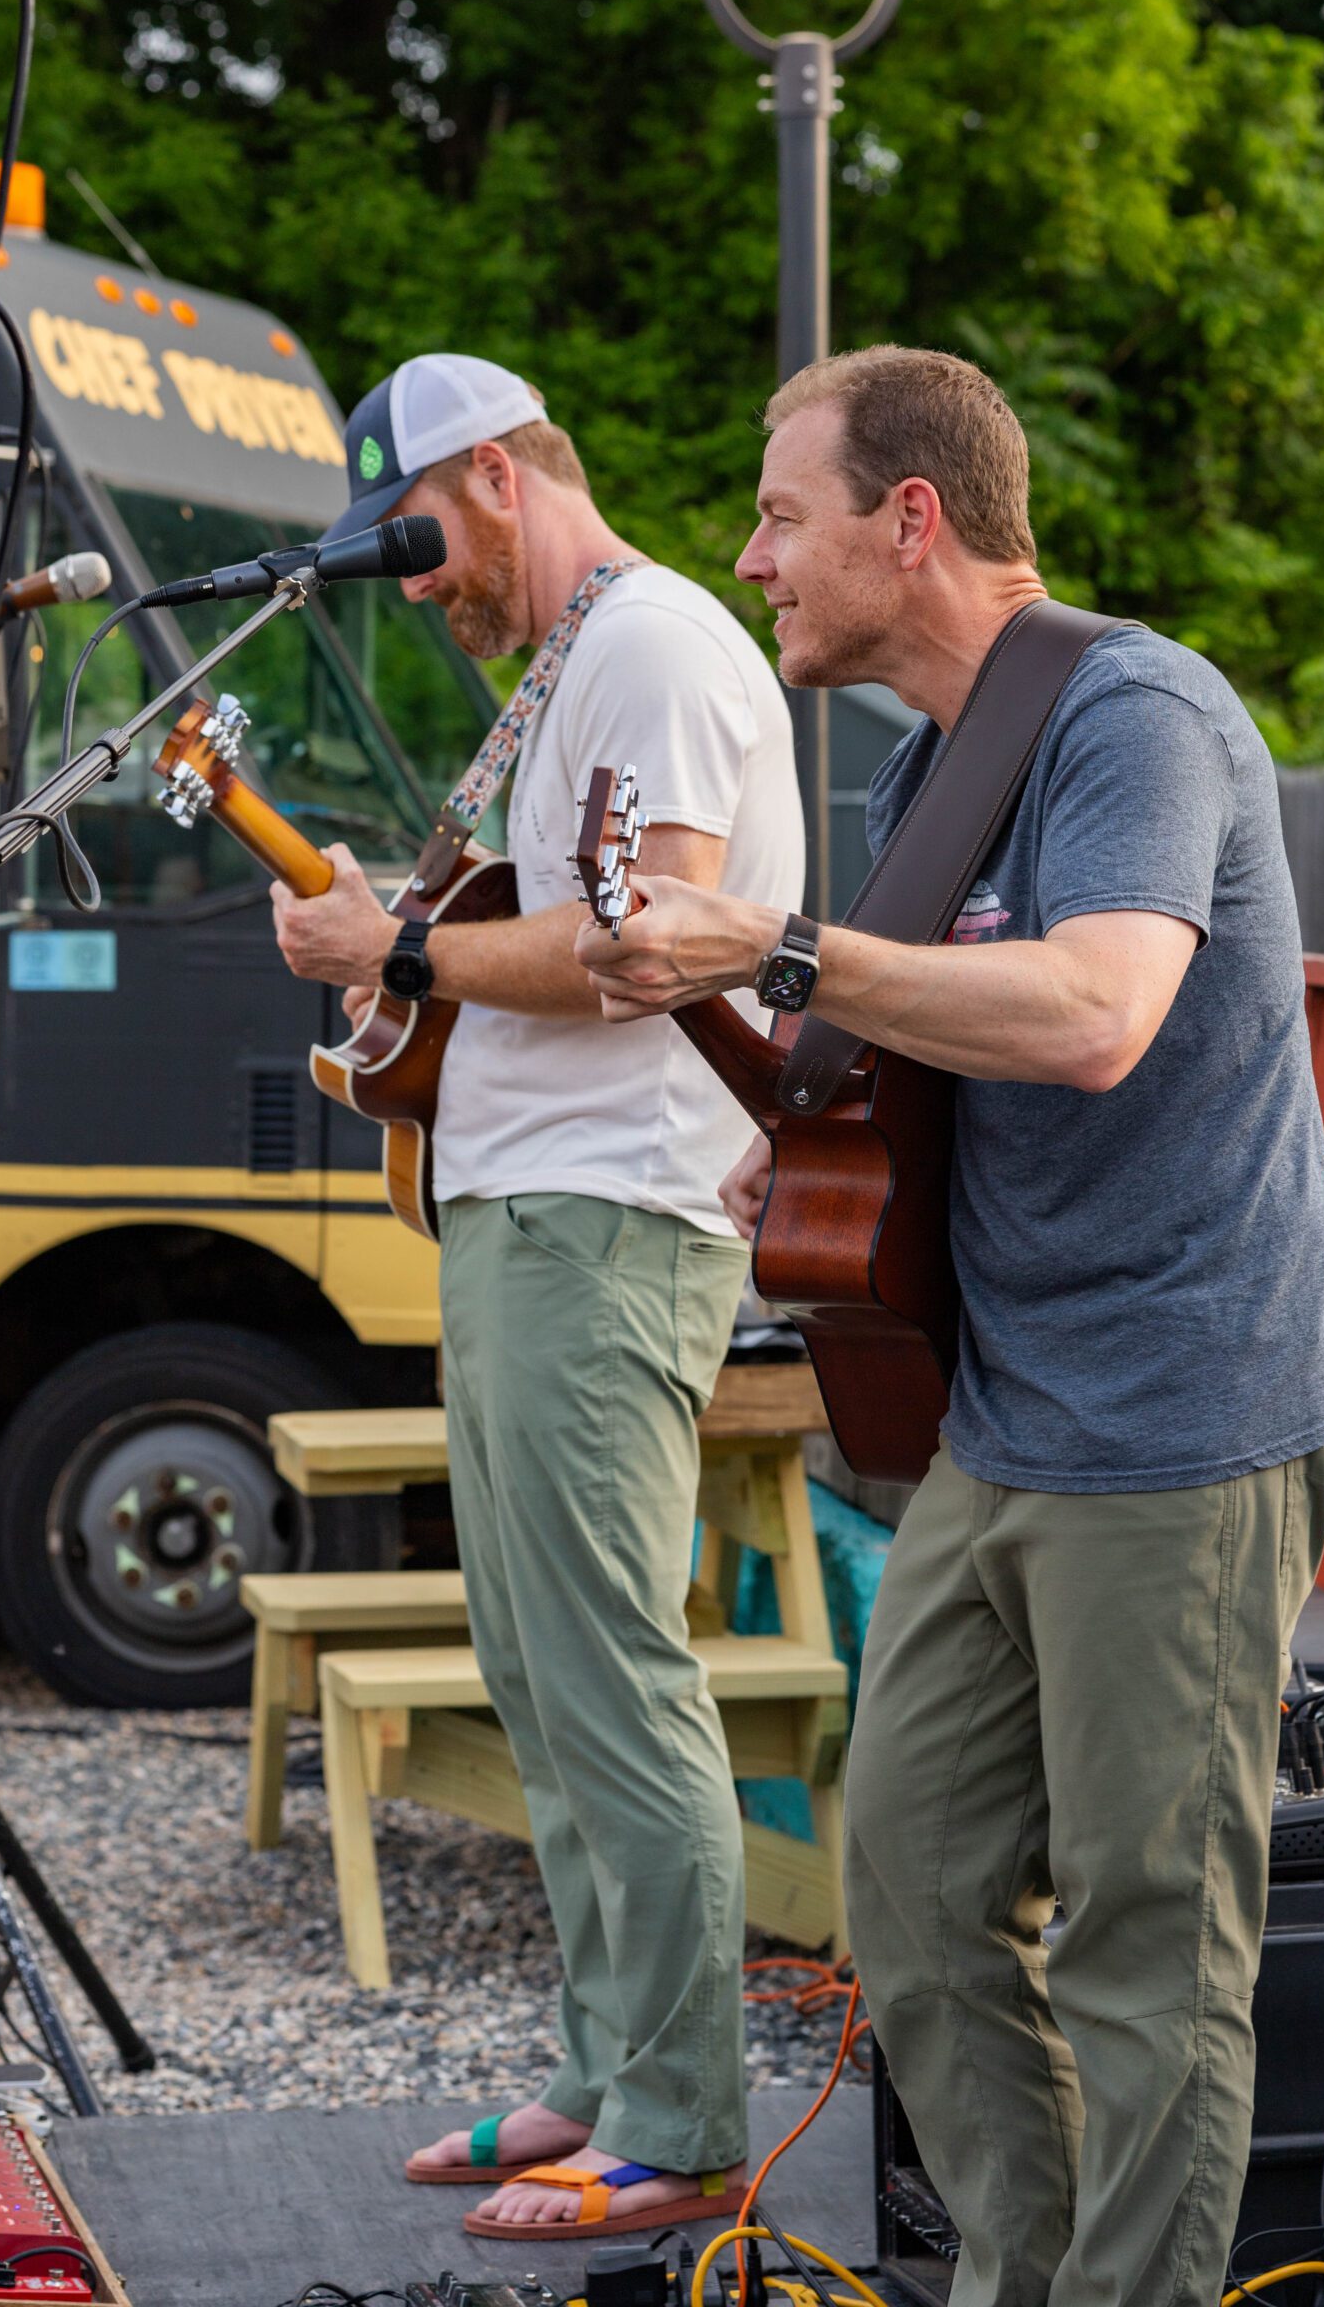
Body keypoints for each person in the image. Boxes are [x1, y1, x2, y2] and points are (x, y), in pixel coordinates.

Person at [575, 344, 1324, 2307]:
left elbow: (1096, 1013)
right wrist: (828, 1140)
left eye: (781, 511)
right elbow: (936, 1038)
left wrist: (764, 939)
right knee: (914, 1898)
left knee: (1140, 1934)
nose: (751, 556)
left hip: (1182, 1417)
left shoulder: (1135, 710)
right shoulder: (932, 767)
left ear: (905, 519)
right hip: (999, 1417)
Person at [269, 352, 803, 2238]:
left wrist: (395, 939)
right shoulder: (566, 670)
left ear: (494, 477)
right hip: (526, 1206)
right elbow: (526, 936)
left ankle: (678, 2122)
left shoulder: (649, 645)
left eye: (416, 542)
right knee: (540, 1672)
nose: (414, 585)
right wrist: (403, 971)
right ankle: (606, 2076)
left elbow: (643, 943)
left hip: (608, 1214)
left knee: (604, 1670)